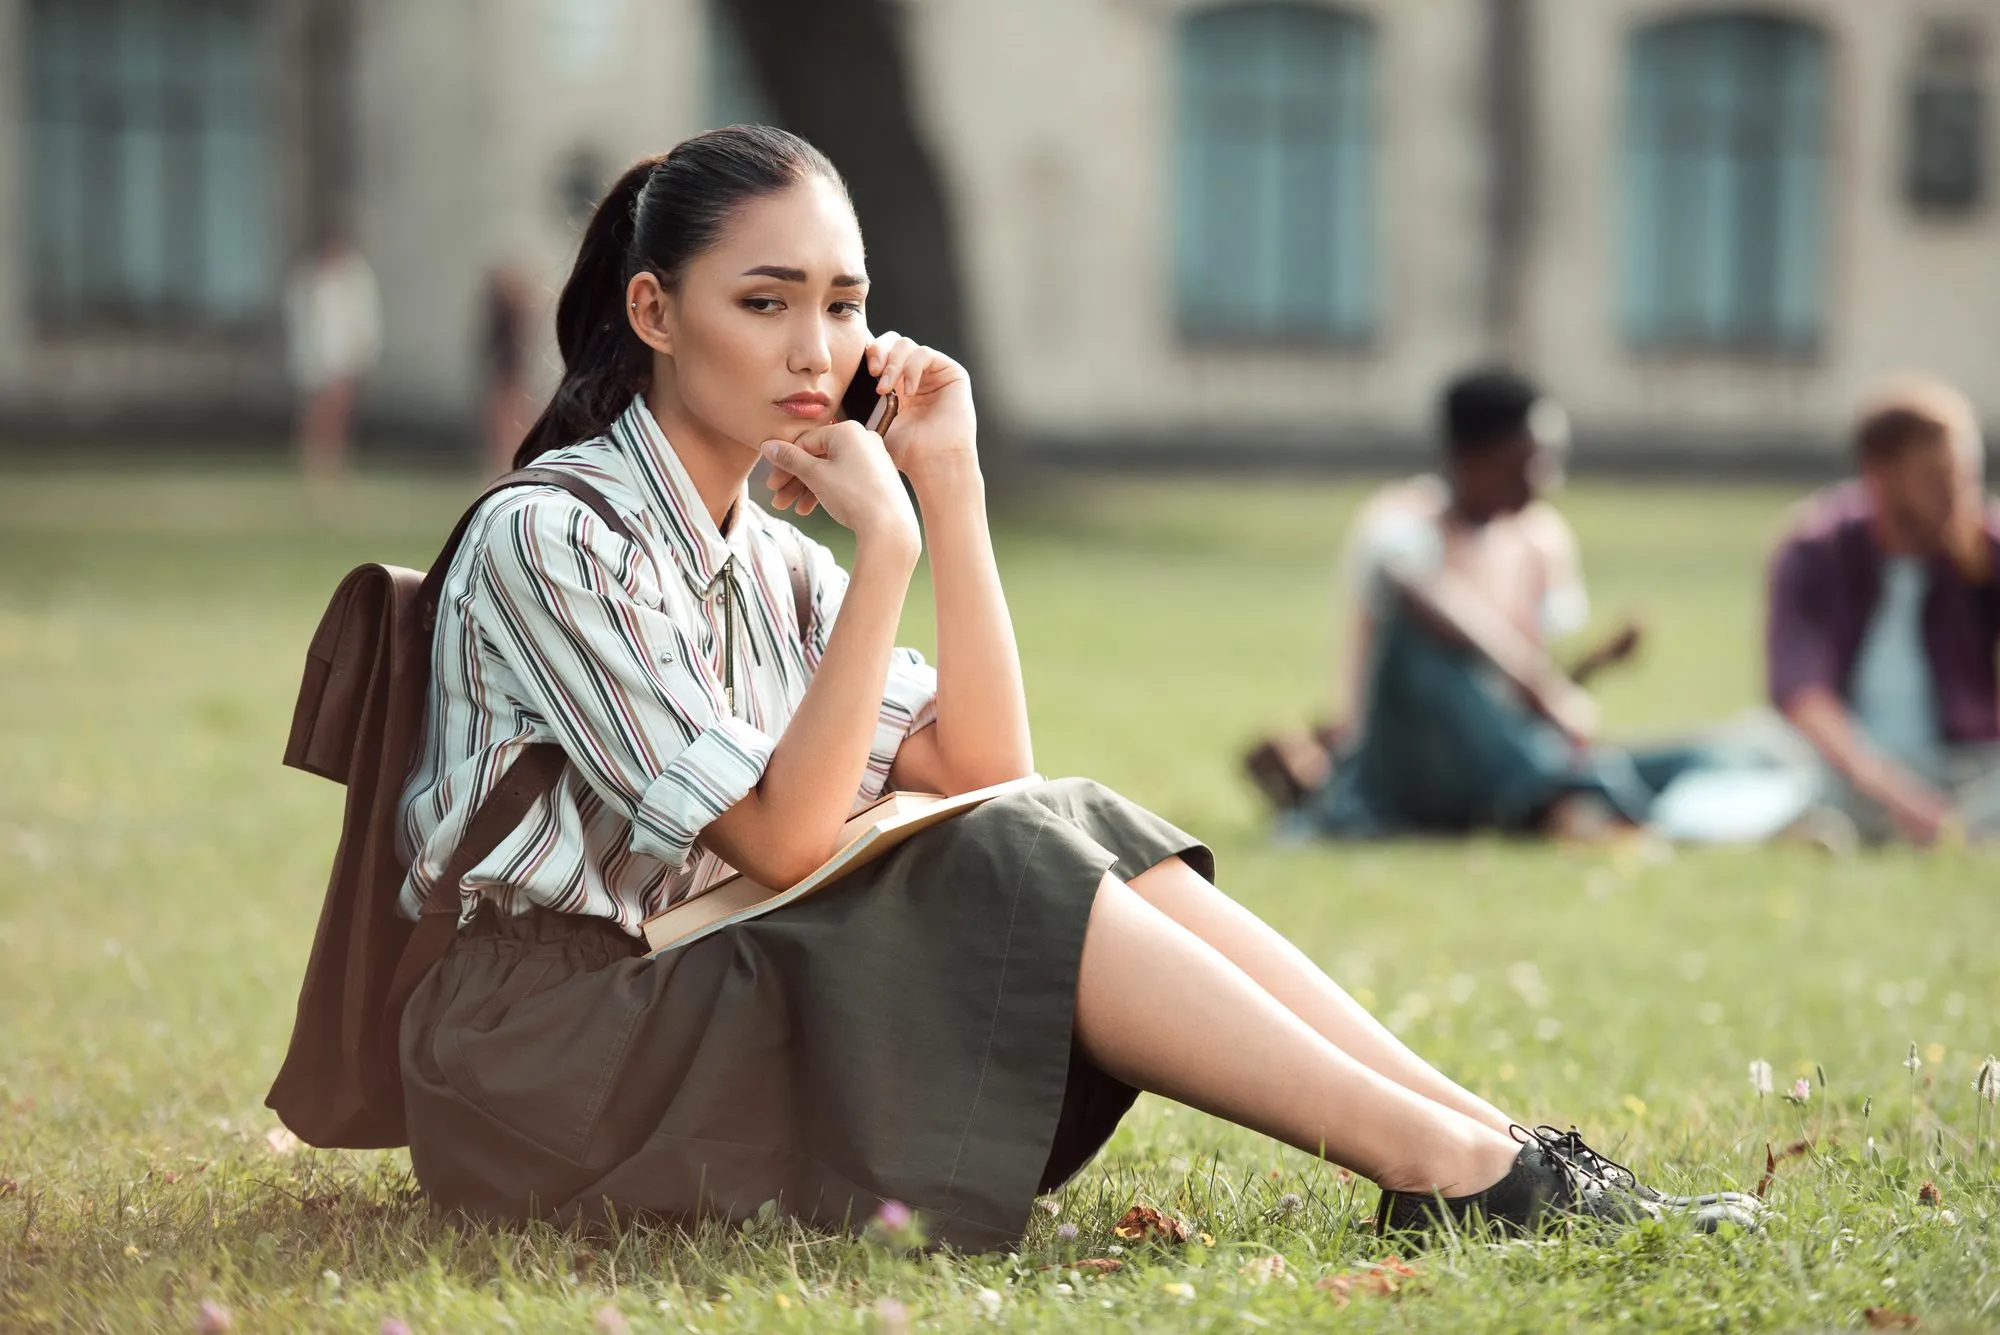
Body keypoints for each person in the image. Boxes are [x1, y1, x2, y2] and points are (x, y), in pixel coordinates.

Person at [393, 128, 1755, 1251]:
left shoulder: (771, 556)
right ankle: (1454, 1167)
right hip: (547, 1057)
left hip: (689, 982)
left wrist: (954, 480)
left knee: (1072, 812)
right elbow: (782, 840)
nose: (818, 350)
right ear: (656, 312)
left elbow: (994, 770)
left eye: (844, 302)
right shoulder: (555, 534)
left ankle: (1490, 1145)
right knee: (995, 854)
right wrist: (890, 547)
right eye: (766, 301)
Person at [1297, 371, 1698, 839]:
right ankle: (1570, 798)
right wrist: (1530, 679)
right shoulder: (1402, 523)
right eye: (1526, 463)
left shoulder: (1540, 539)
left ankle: (1569, 795)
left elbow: (1529, 701)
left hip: (1505, 752)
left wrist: (1592, 665)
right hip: (1411, 761)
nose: (1545, 481)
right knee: (1419, 644)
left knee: (1706, 755)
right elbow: (1419, 596)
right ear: (1468, 457)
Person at [1766, 376, 2000, 844]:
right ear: (1880, 474)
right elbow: (1804, 698)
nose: (1959, 499)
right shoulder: (1816, 550)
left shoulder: (1985, 547)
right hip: (1848, 768)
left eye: (1966, 480)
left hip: (1961, 764)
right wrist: (1900, 797)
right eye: (1937, 480)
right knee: (1763, 767)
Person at [285, 230, 382, 486]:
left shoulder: (355, 275)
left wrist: (362, 354)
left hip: (344, 357)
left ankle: (337, 464)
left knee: (340, 414)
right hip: (316, 358)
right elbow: (300, 318)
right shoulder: (309, 276)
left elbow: (364, 318)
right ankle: (315, 465)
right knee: (316, 414)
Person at [478, 264, 538, 478]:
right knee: (505, 415)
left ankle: (508, 460)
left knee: (509, 415)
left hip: (509, 371)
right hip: (505, 370)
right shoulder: (505, 323)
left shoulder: (512, 323)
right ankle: (504, 460)